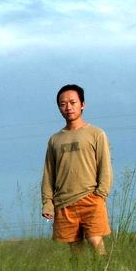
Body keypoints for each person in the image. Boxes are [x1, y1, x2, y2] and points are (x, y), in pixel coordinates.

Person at [41, 84, 113, 256]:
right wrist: (47, 203)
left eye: (73, 102)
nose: (68, 107)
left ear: (82, 104)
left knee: (96, 243)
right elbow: (48, 173)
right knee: (75, 251)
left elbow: (104, 166)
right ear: (59, 108)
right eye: (63, 104)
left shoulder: (96, 134)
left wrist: (101, 194)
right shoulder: (55, 140)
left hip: (91, 198)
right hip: (64, 202)